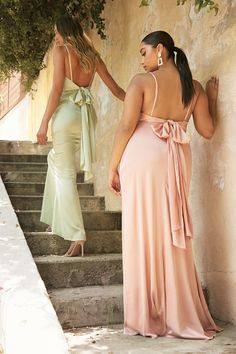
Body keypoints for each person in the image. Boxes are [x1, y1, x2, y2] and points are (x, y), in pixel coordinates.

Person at [109, 31, 223, 339]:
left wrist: (112, 166)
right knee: (171, 230)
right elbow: (208, 131)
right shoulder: (195, 88)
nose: (141, 59)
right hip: (177, 158)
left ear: (161, 50)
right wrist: (211, 99)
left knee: (143, 232)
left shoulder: (141, 83)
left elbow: (125, 127)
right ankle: (177, 312)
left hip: (143, 158)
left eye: (143, 52)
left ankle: (149, 315)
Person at [37, 14, 125, 257]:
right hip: (85, 117)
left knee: (65, 176)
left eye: (56, 32)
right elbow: (116, 89)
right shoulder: (92, 56)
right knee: (54, 161)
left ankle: (77, 235)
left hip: (65, 116)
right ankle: (54, 219)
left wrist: (43, 123)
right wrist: (139, 101)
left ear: (64, 32)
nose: (55, 37)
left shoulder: (61, 50)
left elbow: (56, 89)